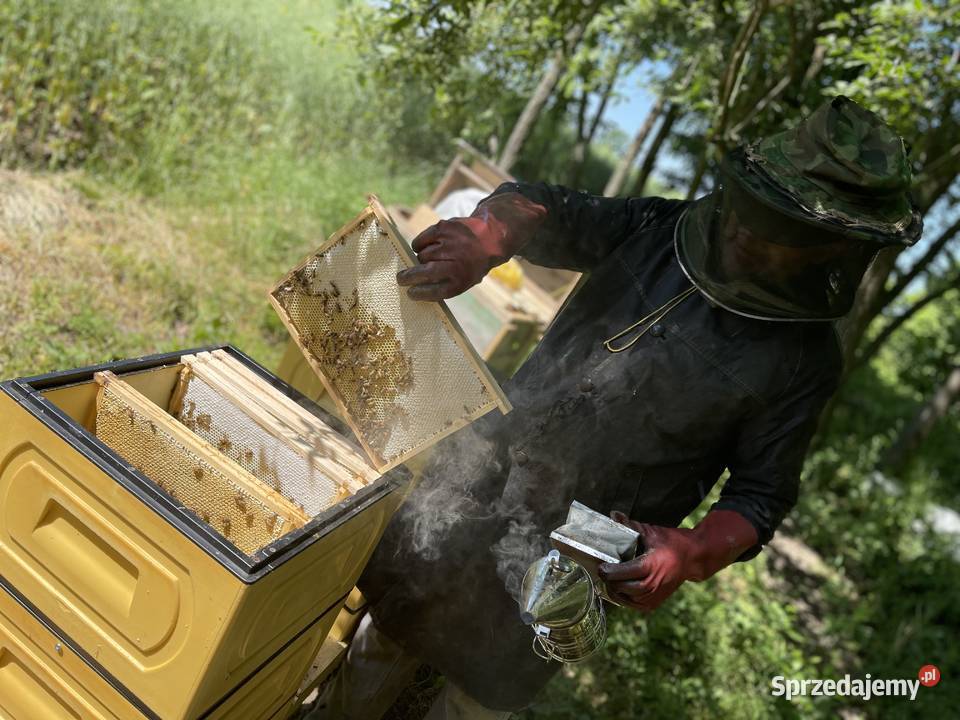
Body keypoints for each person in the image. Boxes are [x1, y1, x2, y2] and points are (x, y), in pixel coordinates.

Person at [304, 96, 922, 719]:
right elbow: (546, 209)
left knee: (481, 692)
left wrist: (692, 551)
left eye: (779, 226)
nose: (742, 227)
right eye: (755, 204)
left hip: (582, 543)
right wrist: (484, 236)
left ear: (828, 248)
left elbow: (762, 494)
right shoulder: (659, 228)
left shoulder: (801, 361)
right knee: (392, 618)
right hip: (489, 462)